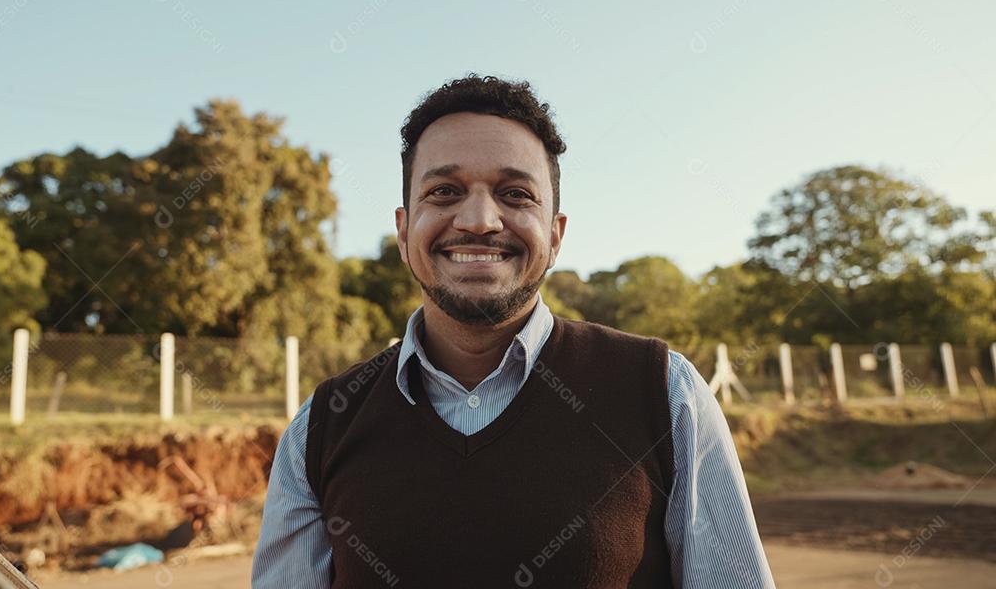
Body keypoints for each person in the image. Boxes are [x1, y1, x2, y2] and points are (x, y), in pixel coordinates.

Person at [252, 74, 775, 588]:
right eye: (444, 191)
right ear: (403, 227)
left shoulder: (665, 394)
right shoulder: (319, 430)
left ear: (555, 232)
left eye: (516, 194)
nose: (479, 220)